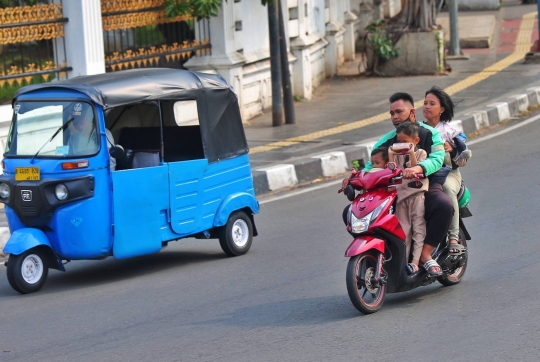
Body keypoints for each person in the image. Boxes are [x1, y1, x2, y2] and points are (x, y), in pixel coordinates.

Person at [361, 92, 453, 276]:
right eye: (392, 113)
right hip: (395, 190)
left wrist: (418, 169)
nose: (395, 117)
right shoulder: (384, 141)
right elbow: (371, 166)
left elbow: (437, 158)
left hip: (425, 185)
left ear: (412, 112)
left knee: (444, 204)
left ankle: (425, 255)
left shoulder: (430, 134)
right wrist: (357, 178)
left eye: (399, 112)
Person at [423, 86, 471, 255]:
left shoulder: (450, 132)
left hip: (448, 174)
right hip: (423, 174)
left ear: (441, 109)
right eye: (425, 103)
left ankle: (453, 237)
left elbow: (463, 159)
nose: (427, 106)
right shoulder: (417, 129)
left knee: (447, 190)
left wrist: (451, 150)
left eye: (432, 103)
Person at [388, 123, 429, 274]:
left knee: (418, 228)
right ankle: (402, 265)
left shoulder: (421, 153)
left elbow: (415, 167)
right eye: (399, 142)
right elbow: (391, 171)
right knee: (403, 232)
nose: (402, 145)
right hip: (401, 198)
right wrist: (391, 154)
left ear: (415, 141)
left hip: (417, 197)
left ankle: (415, 262)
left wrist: (411, 152)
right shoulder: (398, 157)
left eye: (405, 142)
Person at [68, 103, 116, 170]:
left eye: (82, 119)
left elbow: (109, 163)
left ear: (90, 117)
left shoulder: (104, 134)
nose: (78, 123)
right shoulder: (73, 139)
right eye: (75, 119)